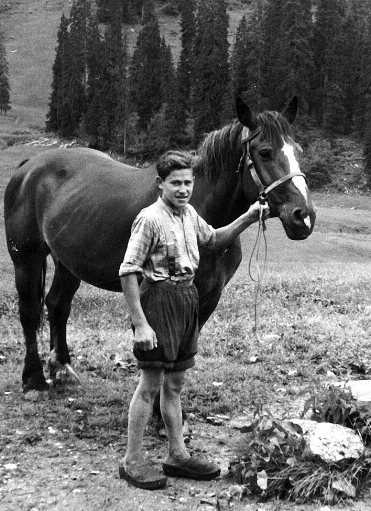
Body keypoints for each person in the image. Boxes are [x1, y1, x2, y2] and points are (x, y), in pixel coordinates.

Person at [118, 150, 269, 490]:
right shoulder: (150, 219)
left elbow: (213, 239)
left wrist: (247, 217)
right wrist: (140, 323)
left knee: (174, 385)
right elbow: (128, 270)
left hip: (187, 299)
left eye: (188, 182)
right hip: (158, 300)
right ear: (161, 185)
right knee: (150, 385)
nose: (183, 189)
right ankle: (132, 460)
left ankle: (177, 455)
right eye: (175, 183)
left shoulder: (189, 214)